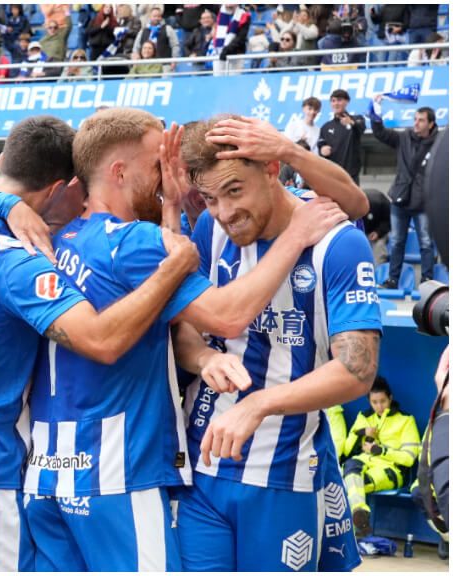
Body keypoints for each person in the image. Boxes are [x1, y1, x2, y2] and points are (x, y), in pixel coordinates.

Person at [0, 109, 360, 572]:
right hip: (118, 478)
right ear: (120, 172)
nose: (168, 176)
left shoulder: (45, 237)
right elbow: (226, 316)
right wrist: (297, 235)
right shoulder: (137, 244)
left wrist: (166, 209)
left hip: (45, 480)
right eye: (157, 165)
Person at [0, 115, 204, 572]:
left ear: (2, 161)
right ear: (65, 187)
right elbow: (101, 340)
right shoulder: (19, 264)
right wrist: (174, 269)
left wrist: (2, 203)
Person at [175, 115, 381, 571]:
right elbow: (186, 331)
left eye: (234, 191)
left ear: (271, 170)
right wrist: (205, 355)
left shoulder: (336, 243)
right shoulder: (209, 230)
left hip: (282, 473)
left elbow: (357, 369)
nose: (225, 212)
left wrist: (259, 404)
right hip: (198, 472)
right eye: (210, 198)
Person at [341, 377, 422, 536]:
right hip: (363, 463)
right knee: (350, 466)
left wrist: (382, 451)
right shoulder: (364, 417)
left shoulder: (406, 420)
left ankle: (360, 518)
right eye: (374, 402)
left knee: (352, 484)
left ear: (390, 398)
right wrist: (361, 432)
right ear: (369, 401)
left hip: (391, 470)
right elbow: (347, 449)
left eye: (383, 401)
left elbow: (409, 458)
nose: (379, 406)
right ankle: (360, 512)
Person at [370, 100, 438, 287]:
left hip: (423, 203)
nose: (416, 123)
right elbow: (380, 133)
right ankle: (393, 279)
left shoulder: (440, 144)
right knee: (397, 242)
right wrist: (376, 112)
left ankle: (427, 280)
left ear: (430, 124)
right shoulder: (404, 137)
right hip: (399, 200)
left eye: (421, 120)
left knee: (426, 243)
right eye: (415, 119)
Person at [317, 89, 365, 184]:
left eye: (339, 100)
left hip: (351, 175)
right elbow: (321, 145)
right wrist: (322, 150)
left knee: (352, 199)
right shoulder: (326, 127)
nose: (336, 104)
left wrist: (351, 122)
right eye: (333, 101)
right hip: (332, 175)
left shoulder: (357, 119)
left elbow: (361, 127)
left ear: (346, 102)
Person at [208, 4, 250, 77]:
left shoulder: (244, 15)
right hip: (219, 53)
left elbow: (241, 38)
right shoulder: (220, 11)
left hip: (235, 55)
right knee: (218, 81)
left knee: (234, 82)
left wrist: (227, 50)